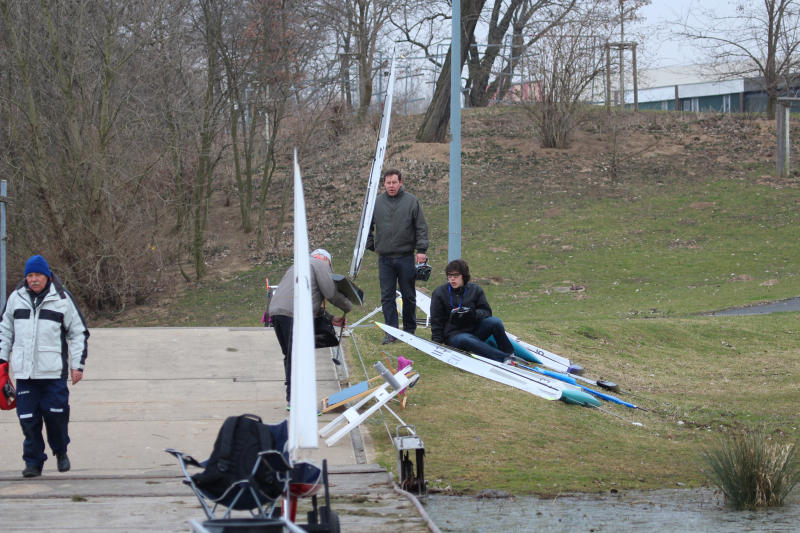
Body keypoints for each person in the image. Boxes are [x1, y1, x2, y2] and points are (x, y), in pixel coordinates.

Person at [0, 255, 89, 478]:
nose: (33, 280)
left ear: (47, 276)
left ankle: (60, 451)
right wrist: (2, 362)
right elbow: (5, 331)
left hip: (53, 373)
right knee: (28, 420)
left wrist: (77, 366)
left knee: (55, 415)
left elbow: (78, 333)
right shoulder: (15, 298)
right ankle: (33, 462)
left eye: (37, 275)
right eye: (29, 276)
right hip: (25, 374)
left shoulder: (62, 299)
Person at [268, 249, 353, 403]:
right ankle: (297, 402)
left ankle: (291, 398)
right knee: (298, 357)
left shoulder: (297, 266)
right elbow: (330, 292)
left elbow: (306, 296)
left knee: (291, 356)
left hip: (276, 312)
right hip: (293, 315)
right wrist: (348, 305)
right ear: (327, 260)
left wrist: (331, 318)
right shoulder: (321, 265)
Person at [366, 169, 429, 344]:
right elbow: (366, 227)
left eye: (394, 182)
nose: (391, 186)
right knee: (387, 296)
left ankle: (409, 332)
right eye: (388, 183)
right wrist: (372, 245)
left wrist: (421, 250)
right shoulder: (376, 203)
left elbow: (421, 227)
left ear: (400, 182)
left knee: (409, 295)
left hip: (406, 257)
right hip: (385, 259)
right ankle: (391, 332)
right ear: (384, 184)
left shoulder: (411, 202)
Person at [429, 259, 515, 363]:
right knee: (466, 339)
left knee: (495, 322)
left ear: (463, 276)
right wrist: (436, 344)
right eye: (449, 276)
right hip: (454, 335)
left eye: (456, 276)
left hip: (474, 329)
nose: (452, 279)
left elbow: (487, 312)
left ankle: (510, 354)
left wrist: (472, 314)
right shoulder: (439, 293)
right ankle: (503, 358)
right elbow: (436, 320)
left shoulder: (475, 289)